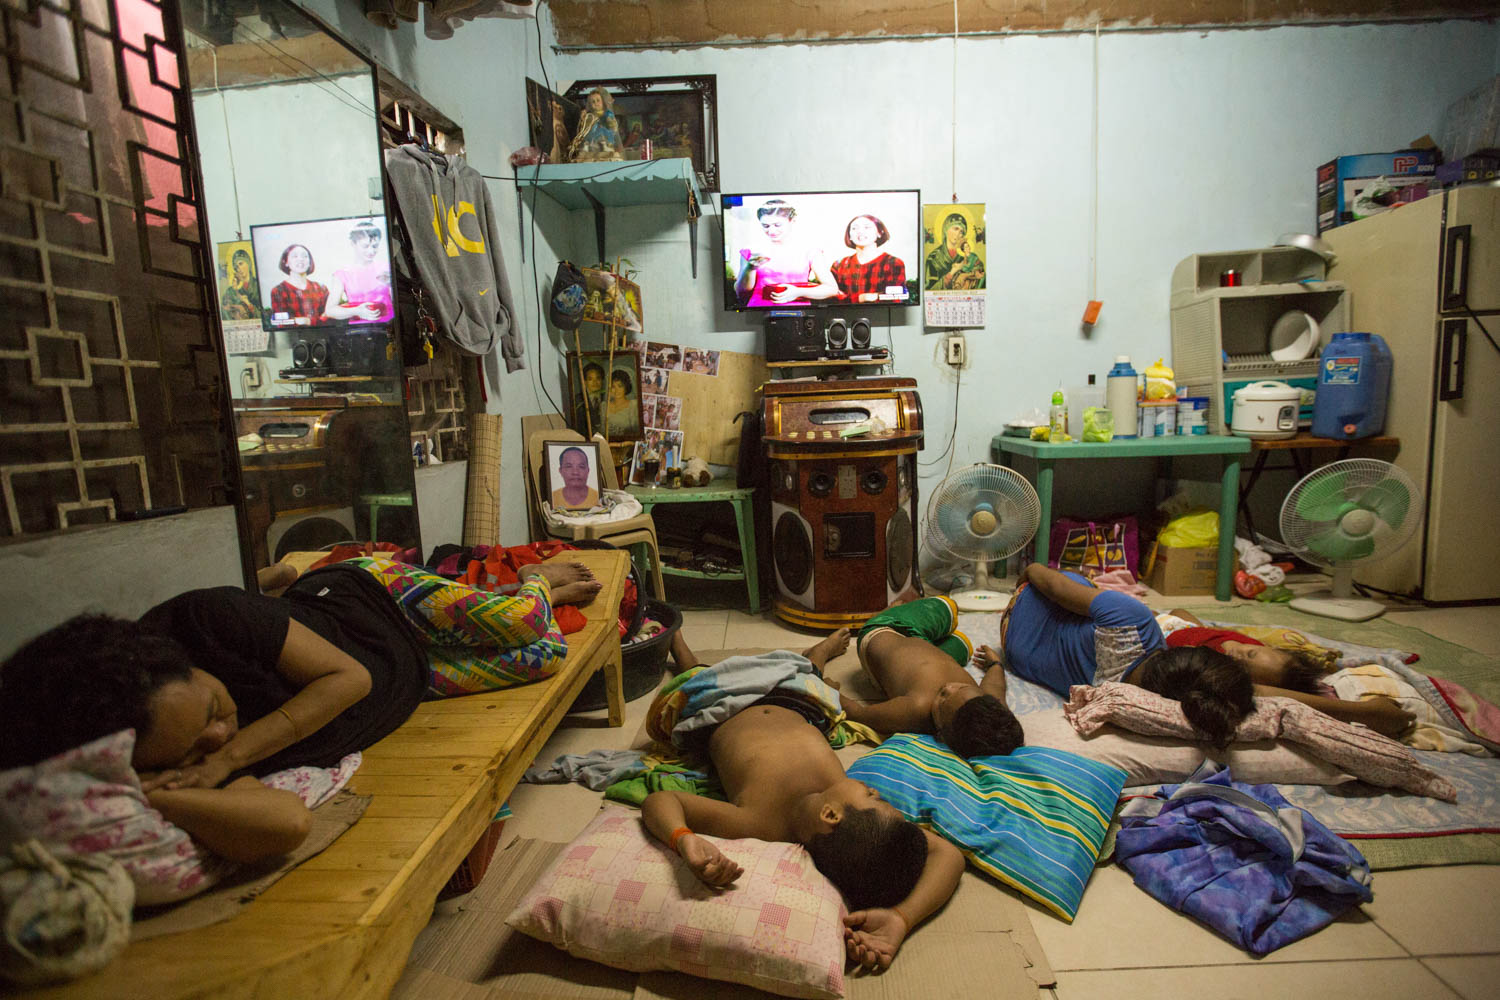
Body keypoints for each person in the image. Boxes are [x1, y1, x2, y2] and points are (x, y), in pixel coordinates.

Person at [0, 558, 602, 862]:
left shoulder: (206, 619)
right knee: (545, 654)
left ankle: (535, 579)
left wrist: (229, 755)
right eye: (198, 743)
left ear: (185, 659)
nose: (222, 730)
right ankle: (276, 586)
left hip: (372, 599)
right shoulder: (178, 760)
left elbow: (349, 677)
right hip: (412, 676)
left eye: (213, 703)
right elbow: (286, 824)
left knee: (521, 620)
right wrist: (168, 792)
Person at [641, 631, 965, 971]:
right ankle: (822, 651)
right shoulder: (844, 805)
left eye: (871, 796)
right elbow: (949, 855)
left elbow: (661, 801)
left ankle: (674, 639)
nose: (875, 790)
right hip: (797, 700)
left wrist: (683, 839)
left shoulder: (758, 821)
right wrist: (903, 917)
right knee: (809, 671)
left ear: (830, 815)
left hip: (721, 705)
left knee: (694, 674)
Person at [1162, 610, 1414, 737]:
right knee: (1180, 612)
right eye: (1249, 654)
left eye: (1242, 666)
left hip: (1160, 637)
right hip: (1180, 622)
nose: (1235, 655)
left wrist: (1363, 712)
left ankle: (1368, 713)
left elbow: (1264, 692)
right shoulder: (1249, 645)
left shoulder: (1217, 669)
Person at [839, 596, 1024, 759]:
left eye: (942, 699)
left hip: (886, 631)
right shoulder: (985, 709)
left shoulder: (916, 709)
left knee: (947, 607)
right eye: (961, 687)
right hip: (923, 650)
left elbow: (858, 713)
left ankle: (890, 611)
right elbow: (996, 686)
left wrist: (826, 687)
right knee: (963, 646)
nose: (948, 687)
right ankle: (933, 637)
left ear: (942, 733)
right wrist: (995, 664)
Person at [732, 199, 838, 307]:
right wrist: (750, 268)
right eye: (766, 226)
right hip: (759, 311)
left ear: (792, 221)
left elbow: (831, 289)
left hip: (798, 312)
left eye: (777, 225)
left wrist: (798, 292)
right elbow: (740, 291)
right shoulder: (752, 250)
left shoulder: (810, 250)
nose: (771, 231)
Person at [323, 221, 394, 325]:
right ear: (353, 244)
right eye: (365, 246)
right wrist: (356, 311)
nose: (371, 251)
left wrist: (391, 285)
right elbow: (330, 310)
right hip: (358, 332)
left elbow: (396, 300)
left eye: (375, 246)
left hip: (389, 327)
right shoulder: (343, 274)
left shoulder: (386, 267)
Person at [830, 214, 908, 304]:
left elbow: (894, 299)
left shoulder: (893, 263)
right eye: (854, 228)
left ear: (879, 233)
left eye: (867, 227)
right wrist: (862, 298)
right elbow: (832, 298)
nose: (860, 232)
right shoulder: (839, 265)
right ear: (849, 236)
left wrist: (848, 299)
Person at [268, 244, 328, 326]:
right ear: (286, 262)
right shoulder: (278, 291)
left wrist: (307, 321)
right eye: (295, 256)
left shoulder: (321, 288)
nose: (300, 259)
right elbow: (281, 323)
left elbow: (328, 318)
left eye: (305, 256)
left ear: (310, 262)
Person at [924, 213, 985, 291]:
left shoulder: (966, 255)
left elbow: (981, 274)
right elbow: (929, 290)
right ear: (946, 229)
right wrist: (951, 273)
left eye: (961, 232)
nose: (958, 234)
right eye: (955, 229)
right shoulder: (934, 258)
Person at [566, 86, 622, 163]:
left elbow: (613, 127)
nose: (596, 103)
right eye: (593, 101)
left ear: (603, 102)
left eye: (598, 101)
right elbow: (584, 129)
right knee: (585, 151)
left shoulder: (607, 114)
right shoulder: (590, 116)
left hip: (604, 139)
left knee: (605, 151)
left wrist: (609, 122)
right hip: (591, 141)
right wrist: (583, 119)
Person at [550, 445, 599, 510]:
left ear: (588, 471)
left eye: (581, 466)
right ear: (561, 471)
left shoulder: (598, 499)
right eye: (569, 466)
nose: (575, 472)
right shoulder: (553, 499)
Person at [220, 248, 260, 320]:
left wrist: (248, 303)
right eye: (236, 267)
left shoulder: (258, 286)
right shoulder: (231, 290)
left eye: (241, 264)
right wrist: (235, 291)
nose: (239, 269)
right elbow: (224, 309)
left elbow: (265, 313)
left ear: (249, 264)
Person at [604, 368, 638, 438]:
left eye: (620, 386)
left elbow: (635, 432)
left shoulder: (633, 405)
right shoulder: (604, 406)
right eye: (613, 387)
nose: (616, 390)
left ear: (626, 387)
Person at [574, 361, 605, 433]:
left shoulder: (607, 397)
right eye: (590, 379)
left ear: (602, 380)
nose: (595, 382)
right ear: (584, 382)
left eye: (598, 378)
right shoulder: (578, 399)